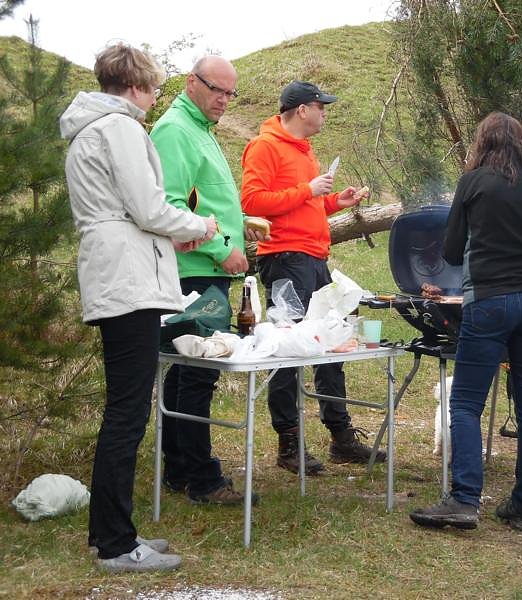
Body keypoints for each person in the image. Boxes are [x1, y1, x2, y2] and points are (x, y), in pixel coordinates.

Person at [60, 43, 216, 572]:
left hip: (115, 271)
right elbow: (149, 208)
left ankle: (110, 530)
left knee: (123, 410)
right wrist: (199, 226)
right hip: (126, 280)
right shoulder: (120, 128)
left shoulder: (91, 129)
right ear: (135, 87)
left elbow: (126, 212)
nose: (154, 98)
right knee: (127, 413)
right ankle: (116, 545)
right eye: (152, 88)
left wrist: (170, 235)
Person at [409, 112, 522, 531]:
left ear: (482, 144)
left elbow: (452, 250)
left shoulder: (473, 182)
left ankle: (464, 499)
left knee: (465, 403)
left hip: (490, 301)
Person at [240, 80, 386, 475]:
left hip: (314, 257)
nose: (325, 113)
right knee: (289, 349)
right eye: (321, 106)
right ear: (302, 109)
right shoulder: (265, 146)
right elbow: (252, 202)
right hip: (285, 259)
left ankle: (341, 436)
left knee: (330, 342)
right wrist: (308, 190)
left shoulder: (305, 151)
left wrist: (335, 201)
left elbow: (305, 206)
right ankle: (289, 444)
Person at [150, 56, 253, 505]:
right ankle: (202, 479)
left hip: (203, 268)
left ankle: (178, 468)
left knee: (185, 370)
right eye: (217, 90)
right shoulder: (176, 130)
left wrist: (242, 226)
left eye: (231, 93)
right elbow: (171, 207)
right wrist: (223, 248)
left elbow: (203, 201)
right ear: (192, 82)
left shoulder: (200, 129)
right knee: (198, 373)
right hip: (193, 270)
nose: (224, 100)